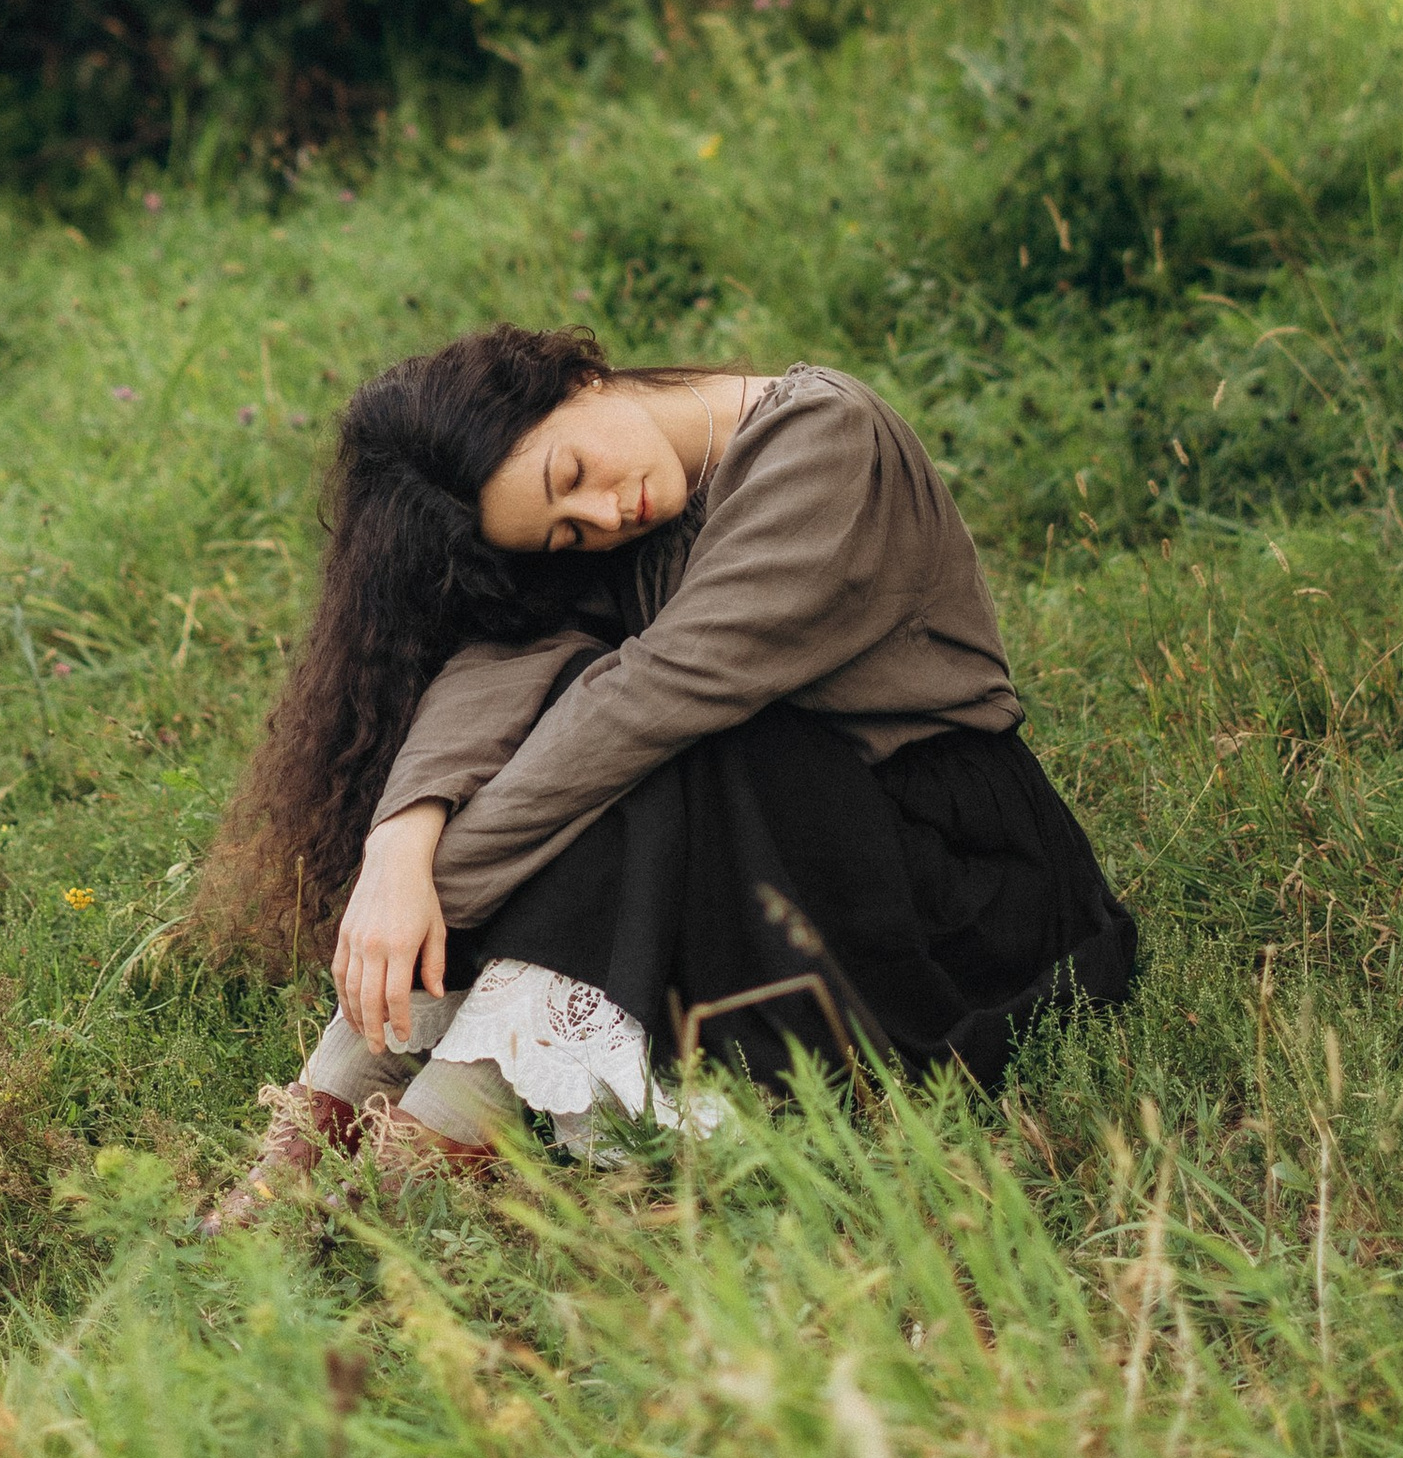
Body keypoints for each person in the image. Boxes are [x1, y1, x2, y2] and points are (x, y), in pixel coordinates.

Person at [191, 326, 1134, 1204]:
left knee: (661, 742)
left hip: (950, 879)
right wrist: (400, 842)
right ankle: (339, 1110)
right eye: (566, 533)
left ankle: (443, 1120)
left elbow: (653, 697)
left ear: (579, 379)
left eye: (573, 471)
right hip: (782, 856)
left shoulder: (825, 439)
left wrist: (444, 893)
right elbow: (503, 659)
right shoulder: (634, 507)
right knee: (607, 725)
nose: (604, 513)